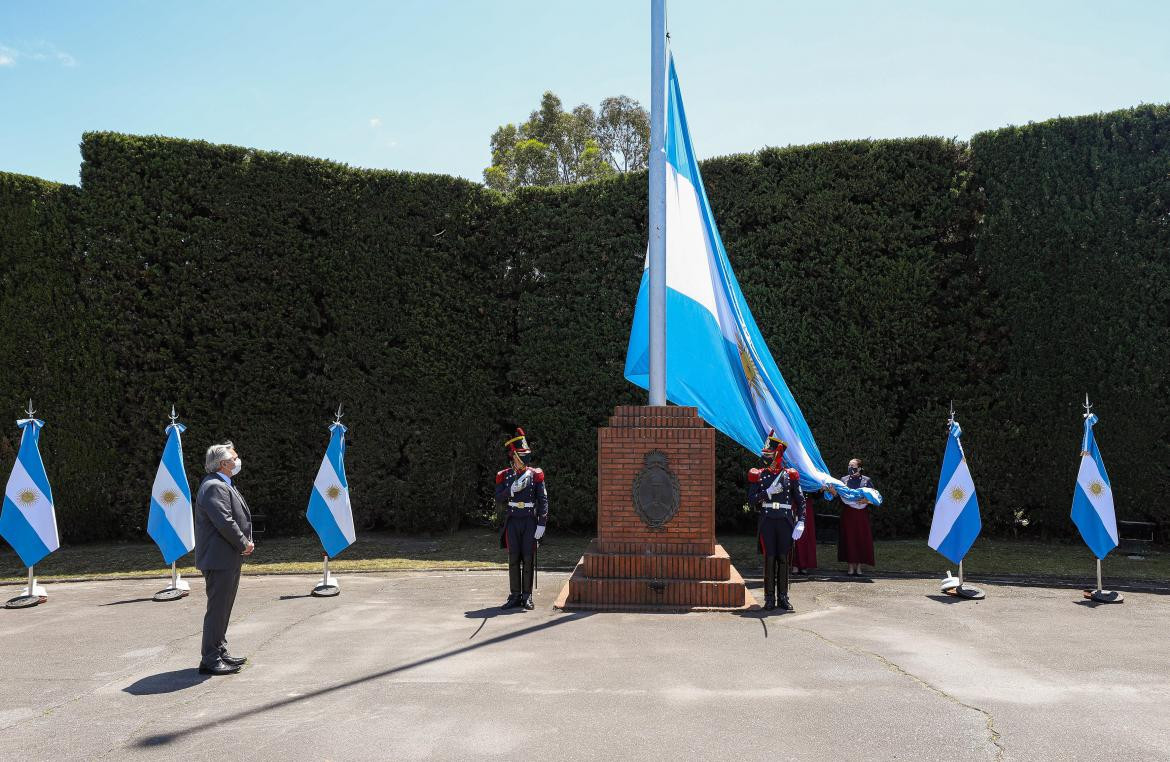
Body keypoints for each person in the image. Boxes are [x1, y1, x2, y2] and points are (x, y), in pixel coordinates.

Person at [194, 441, 253, 675]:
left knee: (223, 609)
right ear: (223, 464)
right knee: (217, 610)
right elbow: (224, 521)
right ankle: (209, 659)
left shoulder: (223, 483)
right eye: (234, 458)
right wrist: (244, 543)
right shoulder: (214, 486)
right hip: (219, 559)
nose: (237, 461)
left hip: (226, 558)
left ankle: (218, 651)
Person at [748, 431, 805, 611]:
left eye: (768, 454)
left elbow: (801, 500)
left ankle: (783, 597)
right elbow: (751, 500)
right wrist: (768, 492)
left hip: (785, 521)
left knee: (783, 558)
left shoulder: (790, 475)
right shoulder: (759, 474)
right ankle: (769, 598)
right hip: (767, 520)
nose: (764, 457)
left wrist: (801, 521)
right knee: (770, 558)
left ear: (777, 455)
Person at [494, 428, 548, 611]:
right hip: (513, 520)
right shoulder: (505, 475)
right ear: (513, 457)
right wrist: (511, 490)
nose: (522, 460)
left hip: (529, 520)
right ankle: (515, 595)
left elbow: (543, 500)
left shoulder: (535, 475)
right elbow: (498, 498)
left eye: (524, 457)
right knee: (513, 558)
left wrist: (542, 523)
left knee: (528, 558)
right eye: (520, 457)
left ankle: (527, 596)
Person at [836, 458, 876, 577]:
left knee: (860, 539)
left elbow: (875, 498)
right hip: (848, 514)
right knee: (849, 539)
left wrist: (866, 500)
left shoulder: (866, 480)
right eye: (849, 465)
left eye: (852, 466)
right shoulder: (843, 480)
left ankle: (858, 567)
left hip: (861, 515)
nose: (850, 468)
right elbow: (837, 495)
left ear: (859, 468)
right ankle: (850, 566)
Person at [790, 494, 817, 575]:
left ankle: (804, 565)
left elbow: (817, 495)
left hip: (806, 505)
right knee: (794, 535)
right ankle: (794, 564)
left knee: (805, 535)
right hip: (793, 503)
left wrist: (820, 489)